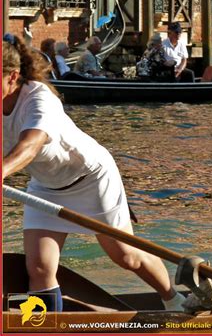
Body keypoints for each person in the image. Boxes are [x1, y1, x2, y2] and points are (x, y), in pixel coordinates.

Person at [2, 34, 186, 312]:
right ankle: (47, 329)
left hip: (92, 178)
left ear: (12, 76)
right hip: (45, 186)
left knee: (125, 256)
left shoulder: (39, 99)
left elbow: (30, 145)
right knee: (39, 267)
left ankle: (174, 299)